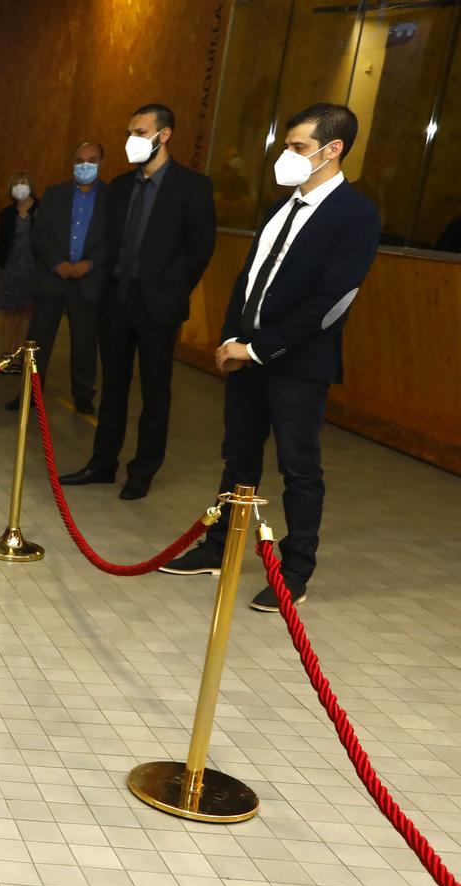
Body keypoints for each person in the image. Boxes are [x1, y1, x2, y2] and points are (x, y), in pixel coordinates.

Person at [159, 103, 380, 610]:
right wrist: (230, 340)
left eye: (299, 148)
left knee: (299, 468)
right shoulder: (279, 206)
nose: (287, 156)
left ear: (333, 150)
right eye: (287, 146)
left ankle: (295, 571)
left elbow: (330, 303)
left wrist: (258, 349)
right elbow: (249, 280)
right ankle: (218, 547)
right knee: (238, 456)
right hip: (247, 355)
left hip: (297, 365)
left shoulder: (356, 214)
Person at [62, 103, 216, 500]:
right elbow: (111, 242)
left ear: (164, 135)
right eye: (130, 132)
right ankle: (102, 462)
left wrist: (173, 290)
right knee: (113, 386)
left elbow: (200, 249)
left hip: (158, 306)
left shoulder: (192, 187)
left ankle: (143, 469)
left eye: (141, 132)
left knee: (155, 391)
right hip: (117, 300)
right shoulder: (121, 186)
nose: (133, 140)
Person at [26, 142, 109, 415]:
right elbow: (40, 234)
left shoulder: (112, 198)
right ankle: (30, 393)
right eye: (80, 160)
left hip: (88, 281)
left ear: (101, 163)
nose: (85, 165)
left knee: (85, 343)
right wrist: (57, 262)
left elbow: (114, 238)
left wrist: (90, 263)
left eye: (91, 160)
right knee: (38, 341)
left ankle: (83, 395)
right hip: (53, 278)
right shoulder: (54, 194)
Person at [0, 170, 39, 396]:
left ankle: (20, 356)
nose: (20, 186)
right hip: (10, 268)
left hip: (33, 269)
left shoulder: (40, 210)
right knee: (9, 314)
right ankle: (6, 355)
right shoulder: (7, 213)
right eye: (16, 183)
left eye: (24, 182)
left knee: (26, 314)